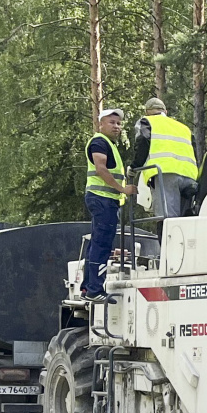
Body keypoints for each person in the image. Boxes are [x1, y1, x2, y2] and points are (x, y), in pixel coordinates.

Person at [81, 108, 130, 303]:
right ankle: (94, 290)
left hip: (103, 199)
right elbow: (101, 169)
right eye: (112, 122)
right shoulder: (99, 142)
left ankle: (88, 287)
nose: (117, 127)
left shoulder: (107, 143)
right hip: (102, 198)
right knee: (102, 244)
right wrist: (122, 189)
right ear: (100, 124)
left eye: (119, 123)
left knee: (96, 243)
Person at [129, 97, 200, 219]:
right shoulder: (183, 128)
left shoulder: (147, 122)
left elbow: (143, 140)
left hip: (165, 174)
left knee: (167, 220)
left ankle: (164, 237)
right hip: (190, 176)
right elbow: (194, 151)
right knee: (184, 221)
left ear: (147, 112)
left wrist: (135, 166)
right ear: (165, 111)